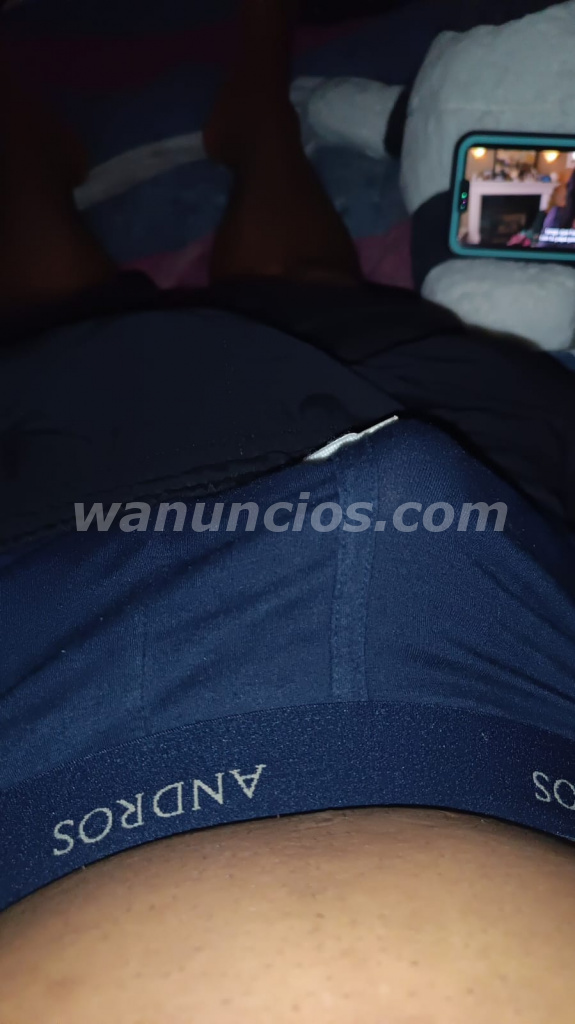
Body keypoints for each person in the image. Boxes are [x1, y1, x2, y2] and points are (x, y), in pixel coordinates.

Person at [1, 2, 575, 1021]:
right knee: (311, 298)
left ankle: (42, 141)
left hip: (68, 623)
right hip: (506, 564)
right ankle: (259, 117)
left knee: (67, 334)